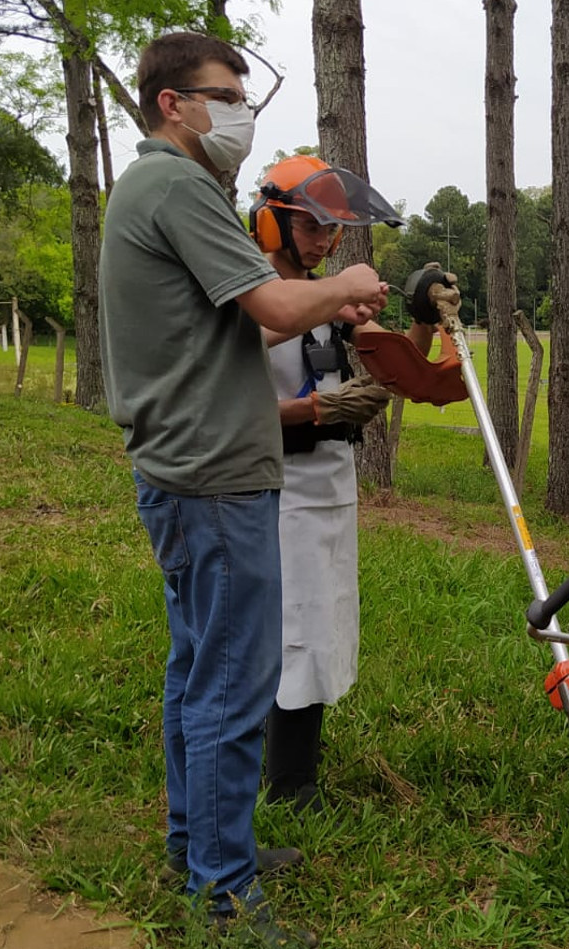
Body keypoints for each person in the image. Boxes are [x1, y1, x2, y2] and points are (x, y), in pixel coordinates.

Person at [98, 31, 387, 946]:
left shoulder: (153, 188)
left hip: (183, 468)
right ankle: (224, 896)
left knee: (197, 669)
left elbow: (227, 330)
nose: (238, 113)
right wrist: (346, 280)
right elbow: (267, 306)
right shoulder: (180, 185)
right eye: (223, 96)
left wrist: (325, 305)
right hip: (216, 474)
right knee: (232, 682)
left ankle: (201, 846)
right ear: (170, 104)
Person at [248, 155, 432, 811]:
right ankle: (285, 788)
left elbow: (408, 377)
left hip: (331, 484)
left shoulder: (332, 304)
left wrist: (423, 315)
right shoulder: (245, 301)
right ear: (271, 222)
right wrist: (317, 411)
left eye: (330, 231)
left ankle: (300, 778)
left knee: (323, 625)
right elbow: (224, 406)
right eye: (310, 226)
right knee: (290, 630)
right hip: (274, 486)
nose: (323, 242)